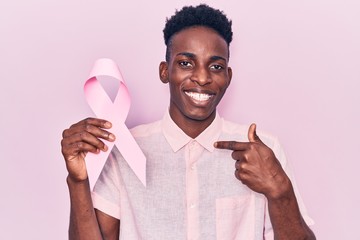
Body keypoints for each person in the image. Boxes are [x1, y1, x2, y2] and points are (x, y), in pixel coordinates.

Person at [61, 4, 316, 240]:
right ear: (165, 71)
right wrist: (78, 181)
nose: (202, 77)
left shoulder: (263, 151)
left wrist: (279, 191)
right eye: (186, 63)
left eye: (215, 67)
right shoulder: (124, 151)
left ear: (228, 76)